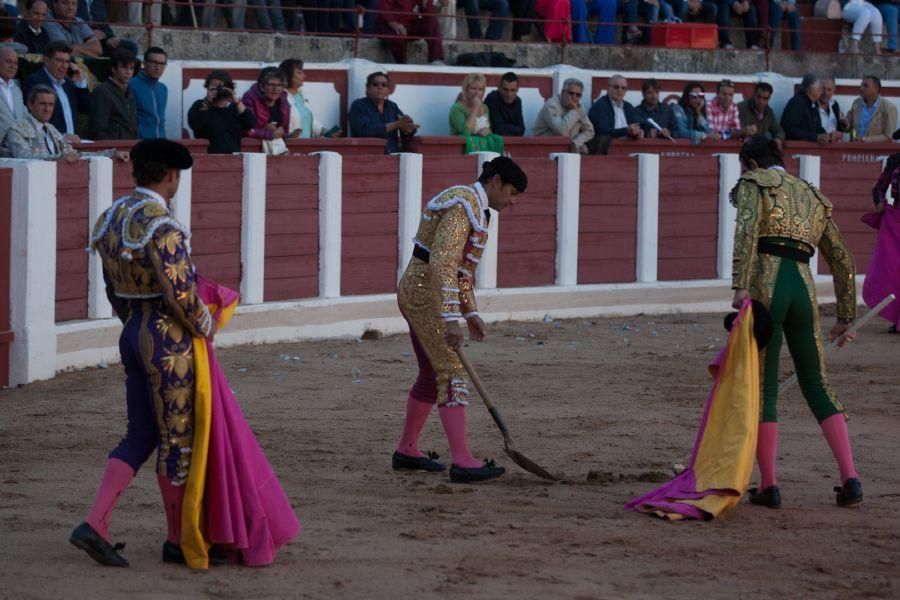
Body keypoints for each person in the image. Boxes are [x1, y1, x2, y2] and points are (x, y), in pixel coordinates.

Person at [70, 138, 300, 569]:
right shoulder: (161, 224)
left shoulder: (111, 217)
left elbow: (111, 287)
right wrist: (206, 326)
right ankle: (177, 540)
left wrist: (134, 326)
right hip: (168, 343)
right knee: (177, 442)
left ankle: (96, 522)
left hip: (133, 331)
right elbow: (181, 292)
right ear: (171, 175)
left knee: (140, 434)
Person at [731, 135, 862, 510]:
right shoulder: (812, 195)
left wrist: (740, 287)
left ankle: (769, 484)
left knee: (764, 388)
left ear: (752, 164)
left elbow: (746, 233)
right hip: (803, 289)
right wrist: (845, 317)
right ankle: (850, 478)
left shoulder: (754, 183)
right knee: (817, 383)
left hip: (768, 290)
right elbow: (844, 261)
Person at [394, 155, 527, 484]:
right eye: (511, 192)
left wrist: (470, 313)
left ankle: (406, 451)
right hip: (426, 295)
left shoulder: (478, 211)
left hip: (425, 292)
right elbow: (441, 263)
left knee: (431, 372)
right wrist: (450, 317)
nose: (512, 201)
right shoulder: (462, 205)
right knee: (451, 372)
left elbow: (462, 271)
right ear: (495, 181)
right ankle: (463, 461)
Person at [2, 84, 127, 160]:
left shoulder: (52, 130)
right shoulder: (17, 130)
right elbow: (25, 157)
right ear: (30, 104)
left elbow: (74, 154)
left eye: (51, 105)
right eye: (42, 104)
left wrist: (111, 154)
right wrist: (60, 158)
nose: (47, 109)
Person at [22, 40, 90, 142]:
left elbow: (86, 108)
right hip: (48, 144)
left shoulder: (69, 83)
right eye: (59, 60)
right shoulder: (34, 82)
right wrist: (61, 137)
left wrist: (80, 83)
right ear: (46, 60)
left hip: (72, 145)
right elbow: (34, 119)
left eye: (67, 62)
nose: (64, 66)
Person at [348, 71, 418, 154]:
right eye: (375, 84)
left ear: (388, 90)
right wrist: (396, 124)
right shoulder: (358, 105)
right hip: (367, 155)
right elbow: (363, 131)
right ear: (367, 88)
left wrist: (408, 128)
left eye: (384, 85)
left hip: (392, 154)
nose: (380, 87)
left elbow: (405, 132)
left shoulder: (392, 106)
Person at [188, 70, 255, 154]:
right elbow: (195, 124)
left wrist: (236, 101)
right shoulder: (200, 105)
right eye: (214, 88)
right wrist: (208, 101)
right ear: (208, 88)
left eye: (223, 88)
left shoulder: (235, 108)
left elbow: (250, 124)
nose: (219, 91)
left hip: (234, 157)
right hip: (208, 158)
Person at [280, 58, 339, 139]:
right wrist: (289, 136)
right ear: (288, 75)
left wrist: (324, 131)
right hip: (290, 146)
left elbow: (309, 121)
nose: (304, 76)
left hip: (307, 145)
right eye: (299, 73)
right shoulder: (281, 97)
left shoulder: (302, 95)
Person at [532, 77, 595, 154]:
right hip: (542, 148)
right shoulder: (552, 105)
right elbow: (562, 131)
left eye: (578, 95)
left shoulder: (579, 107)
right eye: (571, 93)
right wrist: (573, 111)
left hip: (563, 148)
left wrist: (576, 143)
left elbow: (590, 130)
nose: (574, 97)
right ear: (563, 92)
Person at [375, 0, 445, 65]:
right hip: (389, 25)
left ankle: (436, 60)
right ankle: (402, 65)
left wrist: (425, 5)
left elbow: (428, 15)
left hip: (410, 25)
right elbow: (383, 7)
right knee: (398, 34)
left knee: (432, 20)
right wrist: (394, 24)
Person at [449, 72, 504, 154]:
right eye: (473, 88)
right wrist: (475, 108)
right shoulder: (457, 109)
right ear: (466, 89)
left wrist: (488, 131)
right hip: (461, 152)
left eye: (480, 89)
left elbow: (488, 130)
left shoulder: (485, 108)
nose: (477, 93)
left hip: (485, 151)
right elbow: (465, 133)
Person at [88, 48, 137, 140]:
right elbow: (98, 130)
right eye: (123, 67)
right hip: (113, 149)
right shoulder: (102, 92)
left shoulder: (130, 91)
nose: (128, 72)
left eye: (131, 68)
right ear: (113, 69)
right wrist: (113, 151)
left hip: (128, 147)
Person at [241, 67, 297, 142]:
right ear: (262, 86)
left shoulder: (284, 101)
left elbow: (284, 130)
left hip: (277, 148)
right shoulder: (249, 99)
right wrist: (271, 134)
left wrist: (280, 132)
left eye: (279, 85)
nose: (276, 89)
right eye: (272, 85)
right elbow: (246, 130)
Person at [588, 74, 643, 142]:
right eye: (616, 87)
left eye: (623, 88)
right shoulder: (600, 106)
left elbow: (636, 125)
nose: (620, 90)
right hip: (607, 148)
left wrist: (638, 132)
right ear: (608, 88)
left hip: (629, 146)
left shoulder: (628, 107)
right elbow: (602, 131)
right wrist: (626, 131)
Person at [128, 47, 168, 139]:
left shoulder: (163, 89)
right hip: (140, 144)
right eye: (154, 62)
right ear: (144, 63)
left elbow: (160, 120)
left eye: (162, 64)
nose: (158, 67)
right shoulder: (131, 85)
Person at [845, 75, 898, 142]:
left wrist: (864, 140)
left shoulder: (889, 108)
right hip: (855, 149)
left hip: (877, 151)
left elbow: (889, 136)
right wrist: (845, 123)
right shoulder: (857, 103)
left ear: (876, 88)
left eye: (865, 86)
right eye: (861, 85)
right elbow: (848, 127)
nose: (861, 88)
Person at [780, 73, 829, 144]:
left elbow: (817, 127)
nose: (821, 92)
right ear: (810, 90)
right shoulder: (796, 103)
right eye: (818, 89)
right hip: (795, 148)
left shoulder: (814, 104)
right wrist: (815, 137)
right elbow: (789, 129)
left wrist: (827, 136)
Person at [737, 81, 785, 147]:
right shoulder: (740, 108)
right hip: (740, 148)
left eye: (765, 98)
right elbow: (732, 130)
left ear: (769, 99)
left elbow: (779, 131)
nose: (761, 101)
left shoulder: (768, 112)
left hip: (758, 150)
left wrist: (778, 139)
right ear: (754, 95)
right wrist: (744, 131)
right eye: (759, 97)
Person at [483, 71, 525, 137]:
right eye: (505, 90)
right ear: (499, 88)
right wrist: (514, 128)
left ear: (517, 90)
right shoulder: (492, 98)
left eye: (512, 90)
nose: (509, 94)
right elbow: (498, 129)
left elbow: (521, 130)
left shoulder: (517, 101)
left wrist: (506, 127)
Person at [0, 47, 25, 148]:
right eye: (8, 61)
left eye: (16, 63)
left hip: (15, 149)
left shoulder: (17, 90)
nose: (13, 66)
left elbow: (23, 118)